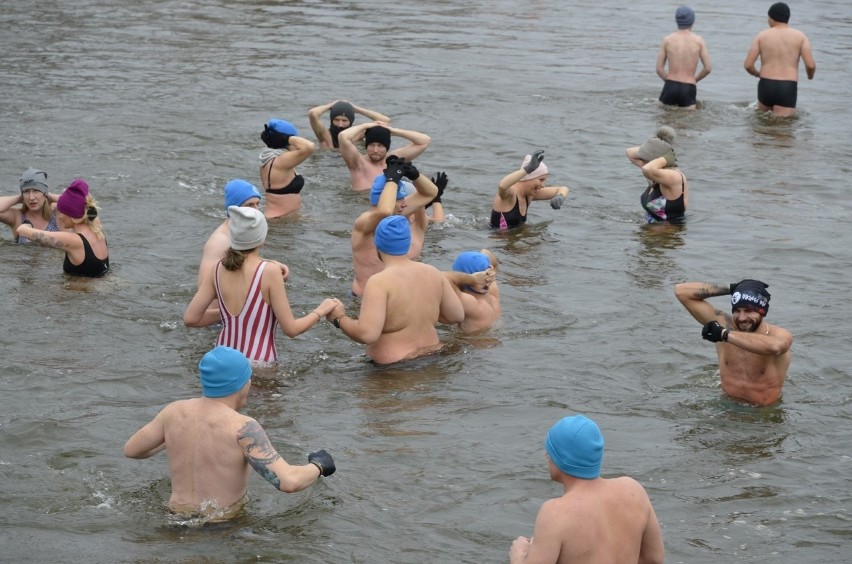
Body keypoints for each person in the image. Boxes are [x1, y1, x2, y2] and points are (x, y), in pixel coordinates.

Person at [124, 345, 336, 521]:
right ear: (244, 384)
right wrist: (318, 466)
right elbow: (289, 482)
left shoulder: (173, 412)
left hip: (174, 520)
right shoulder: (243, 428)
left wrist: (170, 438)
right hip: (221, 529)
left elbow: (132, 450)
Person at [184, 206, 338, 364]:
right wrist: (321, 310)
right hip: (259, 363)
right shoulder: (270, 272)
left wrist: (228, 313)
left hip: (222, 359)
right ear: (262, 237)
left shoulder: (216, 269)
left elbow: (191, 319)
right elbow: (291, 330)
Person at [509, 414, 665, 564]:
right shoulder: (633, 490)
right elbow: (654, 559)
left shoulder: (555, 513)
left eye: (550, 452)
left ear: (562, 460)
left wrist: (519, 555)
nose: (546, 456)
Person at [327, 215, 464, 365]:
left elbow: (367, 334)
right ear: (407, 243)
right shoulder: (433, 272)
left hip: (395, 368)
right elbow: (456, 315)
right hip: (433, 356)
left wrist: (339, 318)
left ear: (377, 245)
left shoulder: (379, 282)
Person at [674, 279, 793, 406]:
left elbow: (776, 347)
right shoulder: (724, 324)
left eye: (748, 311)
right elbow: (681, 291)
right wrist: (732, 288)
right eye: (737, 310)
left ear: (762, 312)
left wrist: (724, 334)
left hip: (762, 417)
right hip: (727, 409)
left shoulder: (778, 334)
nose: (741, 318)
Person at [349, 157, 439, 297]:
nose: (404, 204)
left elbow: (430, 193)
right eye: (399, 200)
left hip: (395, 297)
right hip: (362, 299)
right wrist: (392, 179)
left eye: (404, 199)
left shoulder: (398, 211)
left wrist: (415, 175)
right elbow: (384, 211)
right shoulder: (364, 223)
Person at [16, 179, 109, 277]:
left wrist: (27, 225)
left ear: (72, 214)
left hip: (81, 291)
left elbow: (22, 231)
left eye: (62, 212)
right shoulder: (97, 226)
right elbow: (84, 204)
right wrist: (49, 196)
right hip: (98, 286)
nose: (60, 217)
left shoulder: (73, 240)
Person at [743, 2, 816, 117]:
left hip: (766, 85)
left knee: (762, 128)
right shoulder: (801, 36)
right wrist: (810, 76)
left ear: (772, 17)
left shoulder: (761, 36)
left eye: (768, 17)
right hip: (787, 87)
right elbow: (810, 65)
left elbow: (748, 65)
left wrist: (757, 74)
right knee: (783, 131)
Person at [197, 179, 263, 288]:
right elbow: (205, 287)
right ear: (234, 209)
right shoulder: (219, 242)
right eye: (250, 205)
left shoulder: (244, 232)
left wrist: (271, 265)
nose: (256, 210)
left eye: (257, 204)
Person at [338, 120, 431, 191]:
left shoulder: (393, 160)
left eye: (380, 146)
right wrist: (365, 126)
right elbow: (343, 136)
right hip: (361, 203)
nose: (375, 150)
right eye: (371, 145)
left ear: (387, 147)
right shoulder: (357, 163)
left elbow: (424, 141)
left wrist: (395, 131)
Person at [490, 151, 569, 230]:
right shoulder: (510, 194)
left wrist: (560, 196)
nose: (543, 185)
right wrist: (528, 169)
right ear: (529, 177)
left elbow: (562, 188)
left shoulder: (529, 195)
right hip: (498, 240)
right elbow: (502, 186)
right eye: (541, 180)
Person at [625, 126, 688, 224]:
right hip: (650, 232)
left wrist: (666, 158)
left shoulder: (674, 177)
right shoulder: (655, 173)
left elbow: (647, 169)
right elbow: (629, 152)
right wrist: (650, 147)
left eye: (645, 158)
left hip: (668, 235)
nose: (642, 162)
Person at [656, 5, 712, 109]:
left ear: (677, 20)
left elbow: (659, 69)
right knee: (686, 121)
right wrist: (695, 80)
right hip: (688, 87)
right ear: (692, 21)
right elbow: (708, 68)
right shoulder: (699, 41)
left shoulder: (667, 40)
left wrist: (670, 83)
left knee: (664, 120)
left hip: (670, 86)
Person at [258, 118, 316, 219]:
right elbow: (309, 147)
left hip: (281, 218)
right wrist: (287, 138)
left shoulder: (268, 156)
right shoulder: (281, 161)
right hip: (280, 220)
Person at [442, 250, 501, 332]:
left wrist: (472, 279)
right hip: (491, 337)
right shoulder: (493, 289)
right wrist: (489, 269)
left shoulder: (471, 303)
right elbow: (486, 251)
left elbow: (442, 278)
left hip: (472, 343)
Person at [0, 168, 60, 243]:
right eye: (26, 191)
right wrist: (19, 198)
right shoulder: (17, 217)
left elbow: (78, 206)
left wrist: (50, 196)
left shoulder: (57, 213)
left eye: (36, 190)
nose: (31, 197)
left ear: (44, 193)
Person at [308, 99, 390, 150]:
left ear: (351, 121)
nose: (340, 124)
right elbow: (313, 113)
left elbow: (385, 121)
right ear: (331, 120)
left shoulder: (358, 134)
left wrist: (355, 108)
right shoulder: (324, 136)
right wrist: (332, 105)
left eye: (344, 121)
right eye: (336, 120)